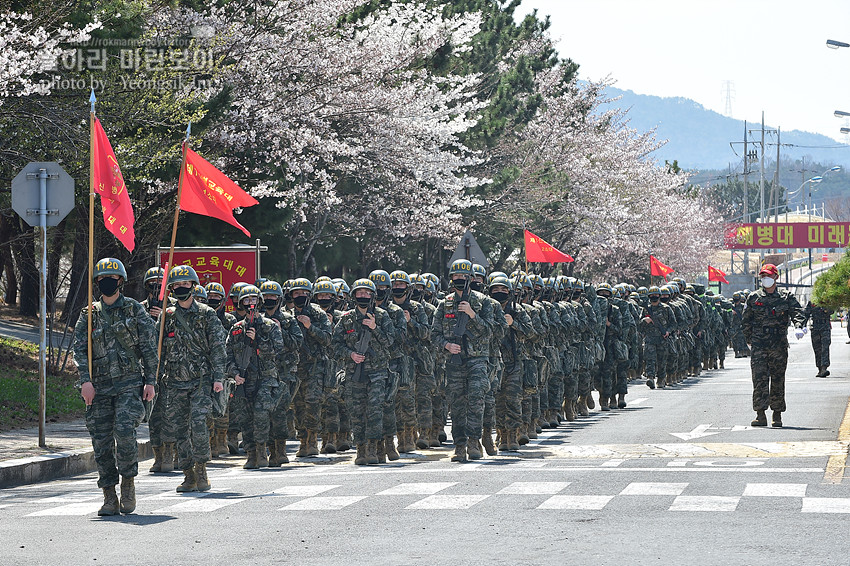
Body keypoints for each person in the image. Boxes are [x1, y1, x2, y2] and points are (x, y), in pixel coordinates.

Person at [72, 258, 158, 516]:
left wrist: (151, 381)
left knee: (124, 432)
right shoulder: (89, 314)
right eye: (101, 279)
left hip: (129, 384)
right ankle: (109, 495)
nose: (107, 282)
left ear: (121, 281)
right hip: (98, 387)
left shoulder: (133, 310)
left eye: (112, 278)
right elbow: (79, 350)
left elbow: (149, 347)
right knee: (101, 441)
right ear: (97, 283)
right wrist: (85, 381)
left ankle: (128, 486)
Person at [158, 265, 227, 492]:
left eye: (184, 284)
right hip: (175, 383)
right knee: (179, 429)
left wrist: (218, 378)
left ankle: (201, 470)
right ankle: (188, 474)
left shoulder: (206, 314)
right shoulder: (167, 316)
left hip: (200, 381)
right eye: (176, 285)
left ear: (193, 286)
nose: (180, 288)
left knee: (198, 425)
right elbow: (158, 351)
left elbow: (218, 349)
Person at [432, 259, 494, 462]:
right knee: (457, 403)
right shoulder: (444, 304)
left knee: (476, 399)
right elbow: (434, 334)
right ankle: (459, 444)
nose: (460, 279)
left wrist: (472, 314)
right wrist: (447, 346)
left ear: (470, 278)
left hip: (477, 359)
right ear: (451, 279)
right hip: (454, 361)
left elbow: (490, 331)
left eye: (463, 276)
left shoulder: (483, 301)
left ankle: (474, 441)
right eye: (456, 276)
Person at [332, 278, 396, 465]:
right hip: (354, 372)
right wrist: (350, 354)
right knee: (357, 412)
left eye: (367, 293)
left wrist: (375, 328)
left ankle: (373, 447)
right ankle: (360, 448)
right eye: (359, 293)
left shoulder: (382, 316)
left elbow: (391, 342)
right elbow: (334, 346)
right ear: (353, 296)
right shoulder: (346, 319)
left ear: (373, 296)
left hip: (377, 372)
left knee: (375, 410)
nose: (363, 296)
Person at [226, 285, 285, 469]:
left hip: (266, 379)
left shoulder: (270, 326)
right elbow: (227, 355)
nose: (250, 303)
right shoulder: (235, 329)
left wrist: (258, 340)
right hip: (245, 380)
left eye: (253, 299)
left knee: (261, 415)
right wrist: (235, 374)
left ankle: (262, 451)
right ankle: (251, 454)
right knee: (245, 418)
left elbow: (278, 351)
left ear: (259, 302)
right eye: (246, 300)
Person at [741, 263, 805, 428]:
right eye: (763, 276)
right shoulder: (754, 298)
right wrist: (750, 340)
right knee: (759, 380)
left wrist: (799, 326)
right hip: (759, 345)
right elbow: (745, 320)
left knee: (777, 379)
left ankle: (777, 415)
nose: (765, 279)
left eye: (768, 276)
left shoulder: (786, 297)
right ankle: (760, 414)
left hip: (778, 345)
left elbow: (798, 312)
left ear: (776, 277)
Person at [802, 299, 834, 377]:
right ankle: (819, 368)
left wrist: (824, 306)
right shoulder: (812, 301)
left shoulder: (828, 301)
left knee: (825, 347)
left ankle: (824, 367)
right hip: (815, 327)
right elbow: (806, 314)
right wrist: (802, 325)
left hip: (825, 327)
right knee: (817, 348)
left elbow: (831, 311)